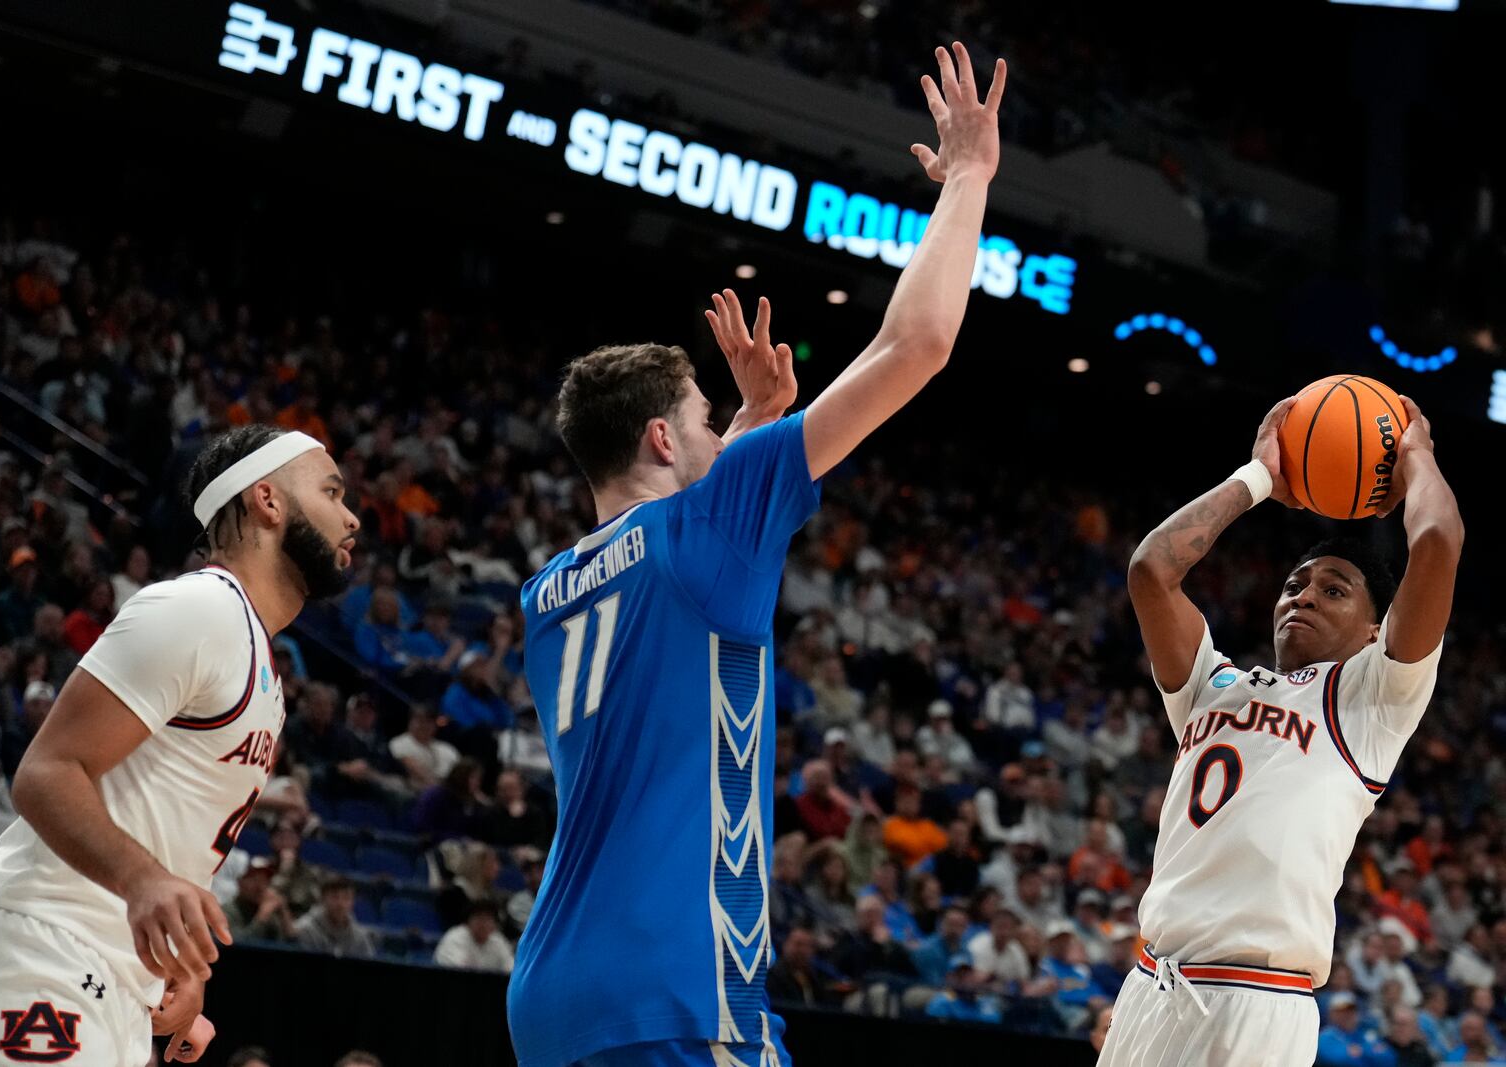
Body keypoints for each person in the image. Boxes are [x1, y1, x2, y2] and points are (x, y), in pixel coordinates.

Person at [508, 43, 1008, 1067]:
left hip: (554, 998)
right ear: (659, 441)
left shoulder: (547, 587)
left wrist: (748, 423)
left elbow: (671, 543)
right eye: (701, 417)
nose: (716, 431)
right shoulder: (701, 526)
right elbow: (915, 345)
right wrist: (968, 179)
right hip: (676, 985)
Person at [0, 425, 359, 1067]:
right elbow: (45, 771)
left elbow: (161, 831)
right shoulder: (198, 610)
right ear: (268, 499)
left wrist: (178, 965)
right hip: (34, 955)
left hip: (107, 984)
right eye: (331, 491)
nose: (350, 517)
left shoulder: (256, 657)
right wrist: (143, 880)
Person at [1098, 395, 1462, 1067]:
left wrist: (1416, 458)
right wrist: (1261, 475)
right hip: (1151, 987)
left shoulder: (1370, 701)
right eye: (1296, 584)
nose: (1303, 596)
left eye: (1333, 590)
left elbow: (1438, 543)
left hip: (1257, 1004)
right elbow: (1152, 570)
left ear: (1373, 631)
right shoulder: (1213, 685)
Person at [293, 877, 376, 959]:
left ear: (353, 902)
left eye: (346, 898)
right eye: (334, 897)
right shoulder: (305, 928)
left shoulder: (359, 934)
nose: (341, 904)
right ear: (323, 899)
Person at [435, 900, 515, 973]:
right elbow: (459, 971)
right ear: (468, 920)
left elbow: (511, 969)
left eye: (488, 919)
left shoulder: (498, 940)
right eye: (479, 917)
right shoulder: (455, 937)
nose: (484, 924)